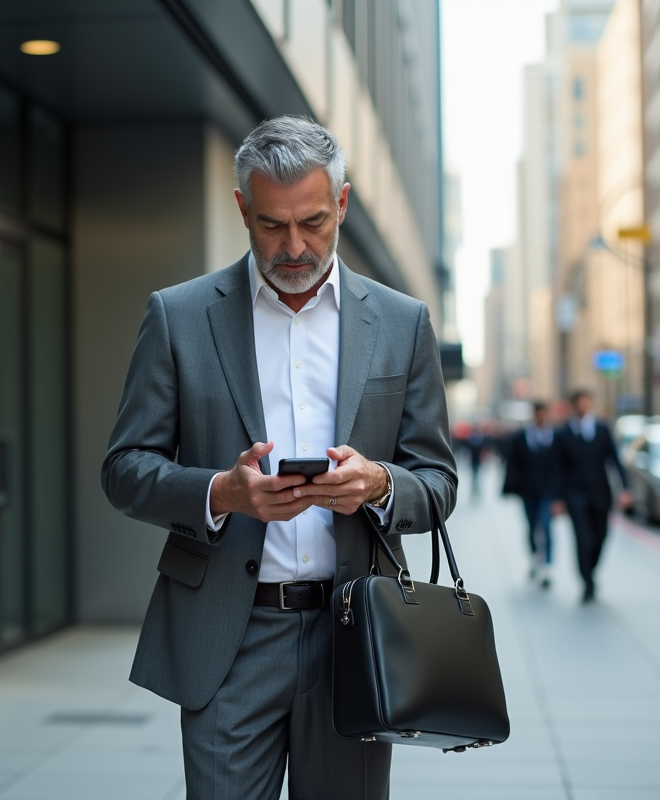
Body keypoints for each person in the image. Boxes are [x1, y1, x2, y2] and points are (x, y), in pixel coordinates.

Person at [102, 116, 457, 800]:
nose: (294, 246)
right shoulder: (179, 316)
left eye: (313, 222)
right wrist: (221, 493)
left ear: (342, 204)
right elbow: (124, 469)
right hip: (227, 641)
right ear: (242, 209)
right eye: (271, 225)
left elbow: (438, 481)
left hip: (357, 635)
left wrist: (378, 483)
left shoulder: (402, 322)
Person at [552, 390, 632, 603]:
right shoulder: (563, 434)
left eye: (586, 402)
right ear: (573, 406)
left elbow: (615, 461)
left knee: (601, 536)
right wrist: (557, 499)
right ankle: (586, 581)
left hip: (600, 493)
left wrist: (624, 489)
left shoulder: (602, 429)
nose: (583, 406)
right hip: (575, 495)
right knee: (583, 538)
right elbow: (557, 468)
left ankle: (591, 569)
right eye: (579, 403)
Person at [502, 401, 558, 588]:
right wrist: (508, 487)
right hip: (527, 491)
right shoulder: (521, 437)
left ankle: (547, 566)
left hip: (548, 492)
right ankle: (535, 557)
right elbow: (512, 463)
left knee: (546, 526)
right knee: (532, 526)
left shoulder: (555, 436)